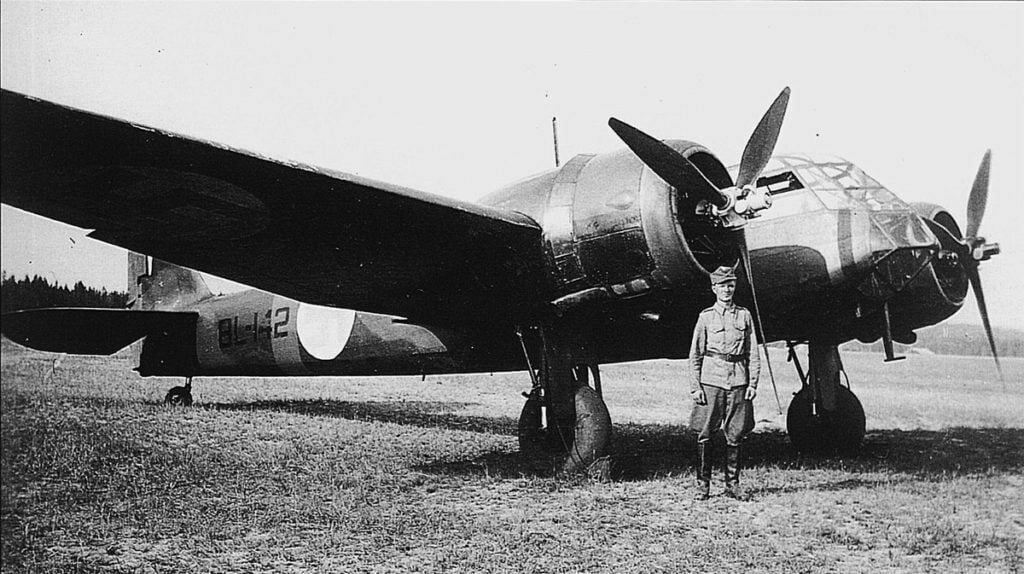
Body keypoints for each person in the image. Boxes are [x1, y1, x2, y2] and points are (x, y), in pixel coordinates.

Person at [688, 265, 761, 500]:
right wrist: (695, 387)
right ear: (714, 289)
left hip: (738, 379)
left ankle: (733, 485)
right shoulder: (705, 317)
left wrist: (752, 383)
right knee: (705, 433)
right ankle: (703, 485)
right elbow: (695, 355)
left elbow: (753, 352)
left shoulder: (744, 315)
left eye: (730, 285)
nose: (727, 290)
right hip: (712, 380)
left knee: (736, 433)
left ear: (734, 287)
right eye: (722, 286)